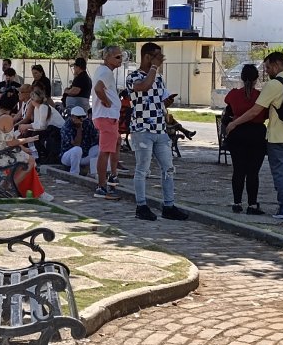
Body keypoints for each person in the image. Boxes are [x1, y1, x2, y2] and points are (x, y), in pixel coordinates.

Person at [226, 52, 283, 220]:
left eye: (267, 67)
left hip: (277, 137)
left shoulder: (274, 85)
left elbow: (255, 111)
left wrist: (234, 123)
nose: (267, 71)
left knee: (280, 172)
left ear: (276, 65)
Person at [127, 42, 188, 221]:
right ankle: (141, 206)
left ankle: (169, 205)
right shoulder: (133, 76)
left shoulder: (159, 78)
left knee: (168, 168)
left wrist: (165, 103)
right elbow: (143, 86)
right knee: (142, 169)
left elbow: (158, 99)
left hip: (159, 129)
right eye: (157, 56)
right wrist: (154, 67)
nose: (160, 60)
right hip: (142, 128)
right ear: (147, 57)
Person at [0, 89, 54, 201]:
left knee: (23, 159)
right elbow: (11, 142)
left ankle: (35, 191)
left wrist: (22, 146)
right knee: (30, 161)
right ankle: (10, 187)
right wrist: (27, 139)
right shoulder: (7, 118)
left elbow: (6, 140)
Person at [222, 64, 267, 215]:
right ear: (257, 79)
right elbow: (265, 114)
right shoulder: (261, 96)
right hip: (256, 134)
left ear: (241, 78)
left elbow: (228, 105)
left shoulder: (234, 94)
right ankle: (252, 205)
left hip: (237, 134)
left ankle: (237, 203)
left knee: (238, 170)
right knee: (253, 172)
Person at [91, 47, 125, 200]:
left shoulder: (103, 70)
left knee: (117, 141)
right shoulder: (105, 72)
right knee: (104, 151)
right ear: (108, 57)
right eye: (117, 57)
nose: (120, 59)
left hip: (106, 116)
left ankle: (113, 176)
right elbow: (99, 88)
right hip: (107, 117)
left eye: (121, 56)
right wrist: (107, 102)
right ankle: (101, 186)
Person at [22, 87, 63, 163]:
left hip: (57, 129)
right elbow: (37, 123)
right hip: (49, 129)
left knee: (35, 134)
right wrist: (27, 127)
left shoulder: (43, 107)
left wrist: (27, 126)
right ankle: (35, 154)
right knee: (29, 133)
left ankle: (43, 154)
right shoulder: (37, 108)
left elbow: (42, 126)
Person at [60, 106, 99, 176]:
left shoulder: (88, 123)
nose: (81, 119)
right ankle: (74, 174)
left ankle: (94, 173)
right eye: (79, 117)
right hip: (68, 157)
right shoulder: (66, 127)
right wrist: (79, 129)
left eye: (83, 116)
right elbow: (76, 144)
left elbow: (96, 139)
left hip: (84, 156)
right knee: (77, 150)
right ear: (72, 117)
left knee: (100, 148)